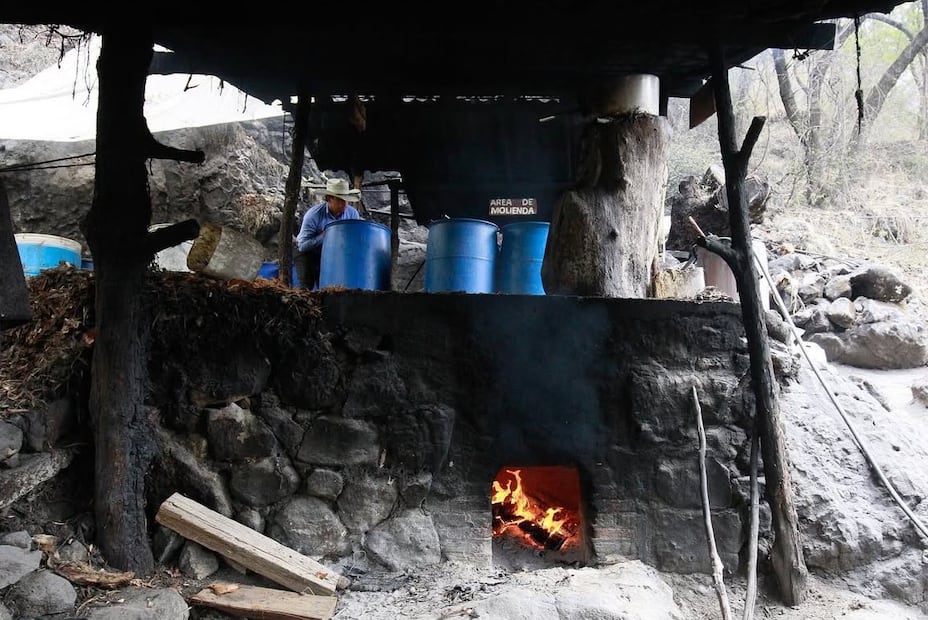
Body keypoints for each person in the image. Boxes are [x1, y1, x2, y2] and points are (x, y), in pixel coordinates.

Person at [295, 177, 362, 290]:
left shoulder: (352, 214)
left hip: (335, 255)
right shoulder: (313, 215)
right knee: (306, 288)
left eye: (346, 200)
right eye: (340, 200)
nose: (344, 204)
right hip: (309, 253)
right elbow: (302, 246)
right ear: (329, 198)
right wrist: (324, 236)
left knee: (332, 288)